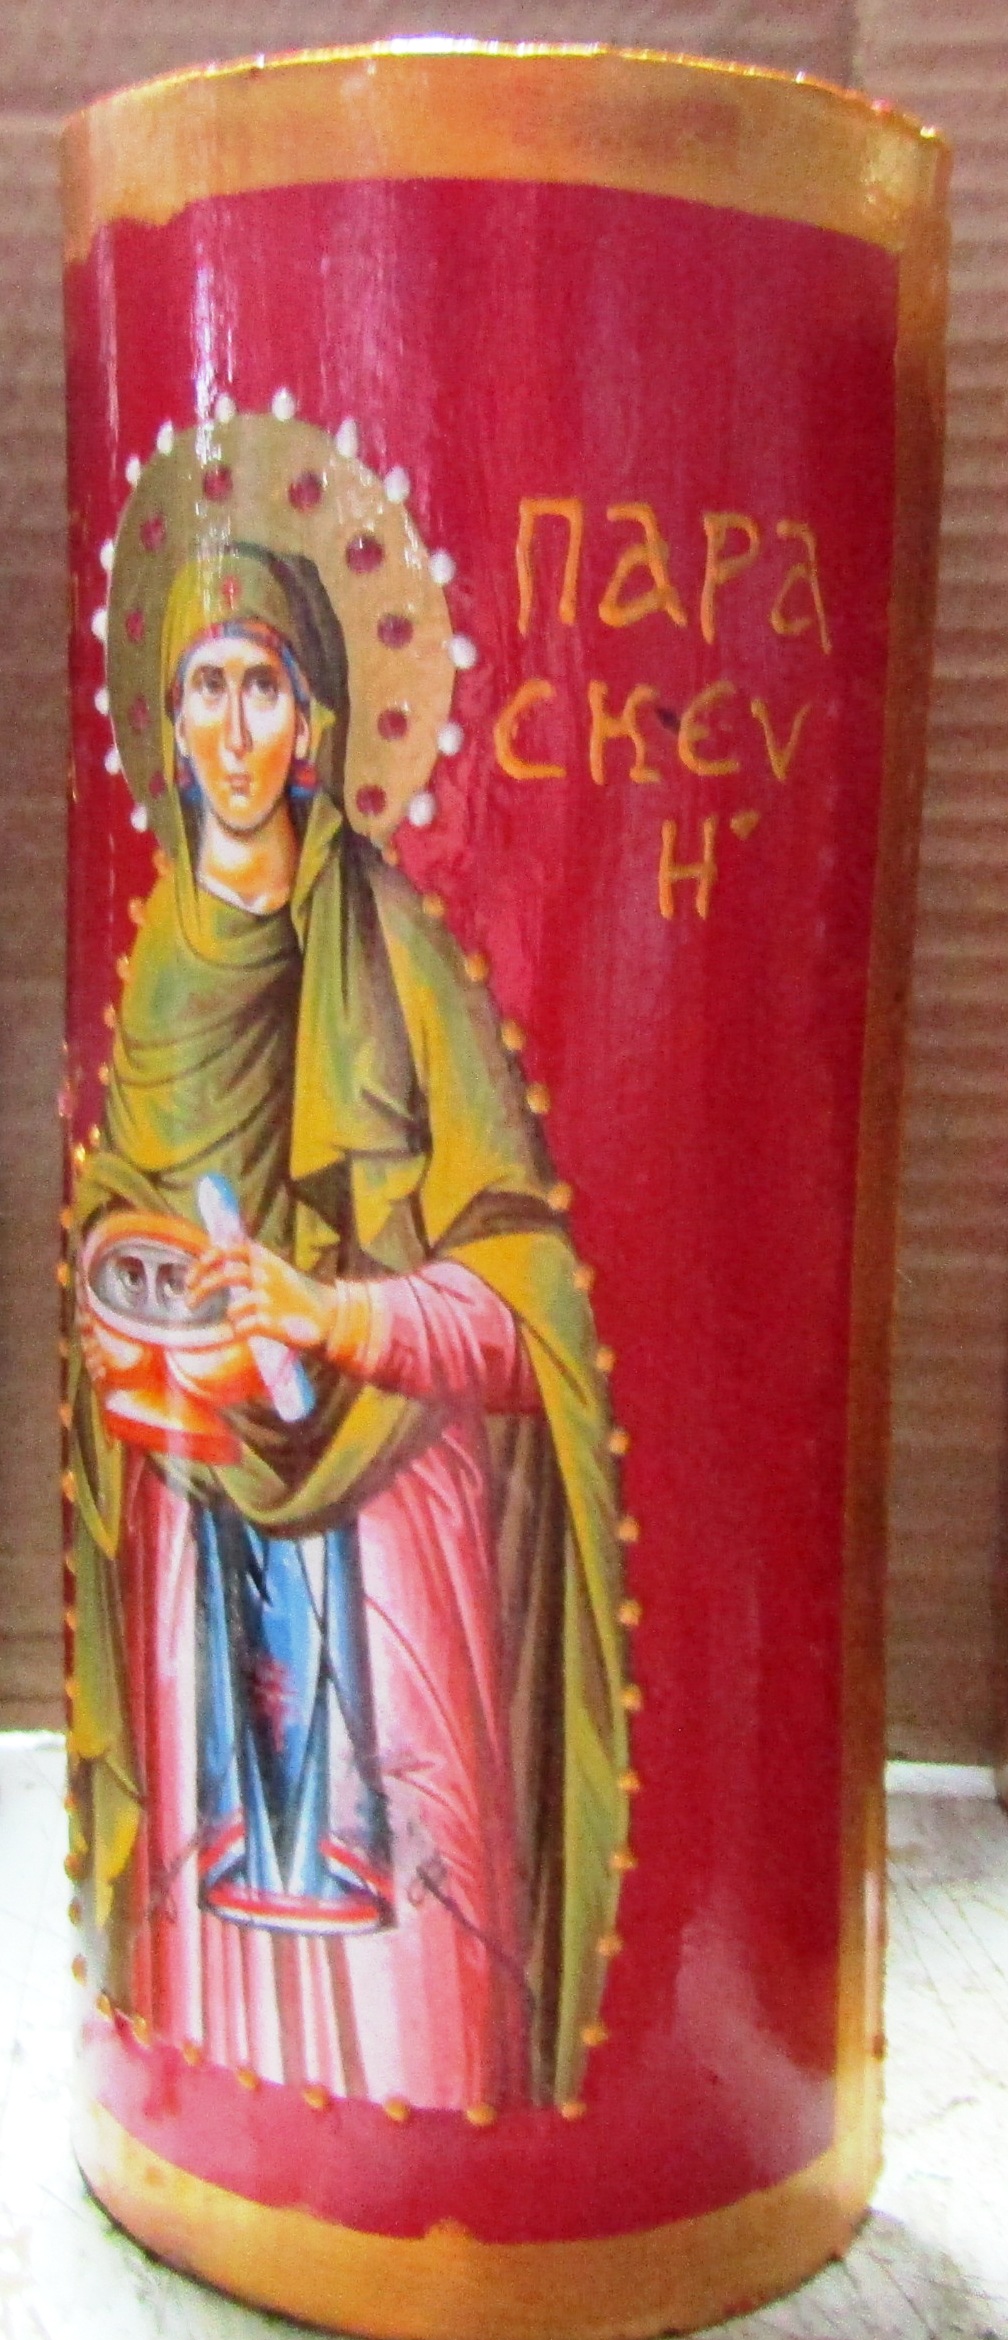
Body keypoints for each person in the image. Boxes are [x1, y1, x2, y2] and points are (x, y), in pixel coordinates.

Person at [69, 531, 629, 2115]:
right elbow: (115, 1213)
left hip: (384, 1532)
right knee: (215, 1960)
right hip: (198, 1530)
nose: (234, 729)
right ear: (167, 723)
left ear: (317, 721)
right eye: (204, 689)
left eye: (264, 687)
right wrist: (131, 1295)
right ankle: (213, 2135)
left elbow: (525, 1309)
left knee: (408, 1996)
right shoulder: (163, 967)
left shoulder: (392, 951)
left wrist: (330, 1311)